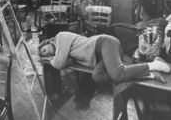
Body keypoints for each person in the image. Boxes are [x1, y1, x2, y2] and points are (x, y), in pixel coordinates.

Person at [39, 31, 171, 84]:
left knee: (117, 75)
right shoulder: (64, 50)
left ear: (48, 42)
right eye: (45, 55)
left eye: (44, 50)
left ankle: (155, 64)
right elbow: (64, 61)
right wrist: (54, 58)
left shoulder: (60, 37)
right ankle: (149, 75)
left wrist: (48, 60)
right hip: (101, 56)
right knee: (97, 76)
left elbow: (59, 63)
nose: (47, 54)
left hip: (103, 43)